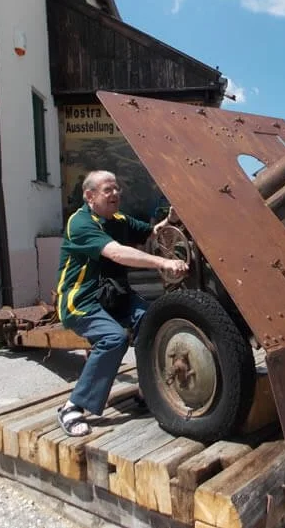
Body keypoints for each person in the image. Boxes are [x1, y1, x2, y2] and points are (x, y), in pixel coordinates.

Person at [54, 170, 188, 436]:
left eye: (117, 189)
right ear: (90, 196)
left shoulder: (118, 219)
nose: (116, 194)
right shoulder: (79, 223)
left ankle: (148, 391)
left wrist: (170, 219)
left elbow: (153, 233)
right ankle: (72, 407)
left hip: (116, 296)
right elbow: (116, 252)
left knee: (152, 323)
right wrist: (163, 262)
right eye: (108, 190)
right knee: (114, 338)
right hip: (81, 300)